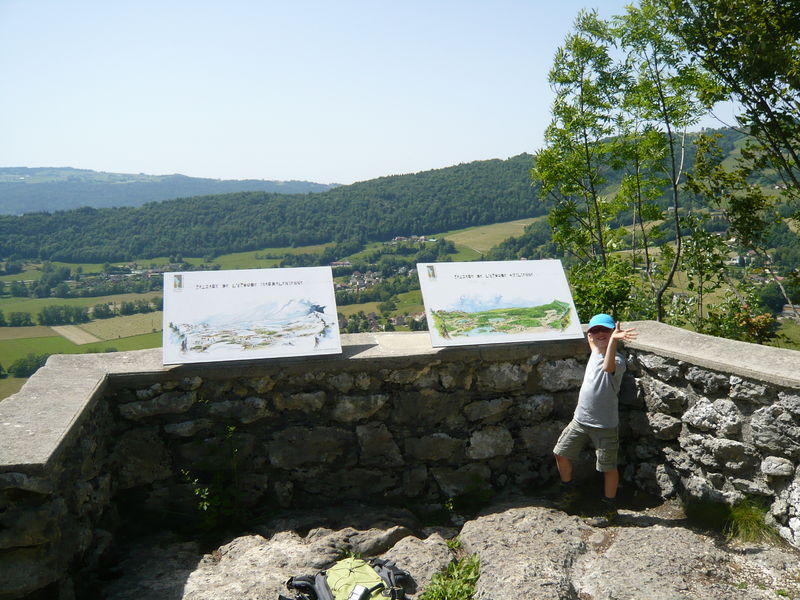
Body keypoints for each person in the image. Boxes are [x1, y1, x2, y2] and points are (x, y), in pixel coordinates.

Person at [551, 313, 638, 525]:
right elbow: (594, 342)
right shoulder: (595, 350)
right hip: (580, 420)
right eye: (595, 330)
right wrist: (593, 336)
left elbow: (608, 367)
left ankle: (609, 508)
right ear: (590, 335)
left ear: (613, 333)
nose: (600, 334)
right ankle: (569, 492)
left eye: (605, 330)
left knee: (608, 467)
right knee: (561, 453)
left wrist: (614, 341)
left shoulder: (617, 360)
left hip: (604, 425)